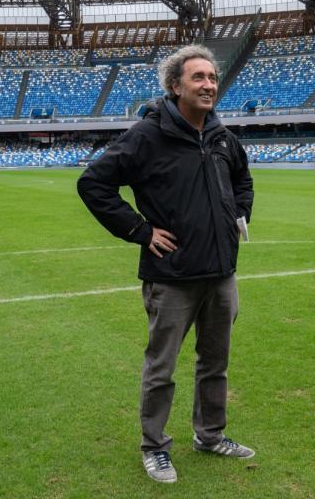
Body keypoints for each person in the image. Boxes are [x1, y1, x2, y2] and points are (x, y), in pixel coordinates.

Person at [77, 44, 255, 484]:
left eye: (212, 78)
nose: (209, 85)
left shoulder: (220, 135)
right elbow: (93, 184)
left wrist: (239, 217)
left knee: (216, 363)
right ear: (176, 86)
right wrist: (140, 231)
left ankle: (210, 436)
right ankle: (154, 447)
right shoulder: (147, 135)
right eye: (199, 78)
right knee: (162, 367)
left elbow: (242, 179)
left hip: (221, 274)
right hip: (172, 277)